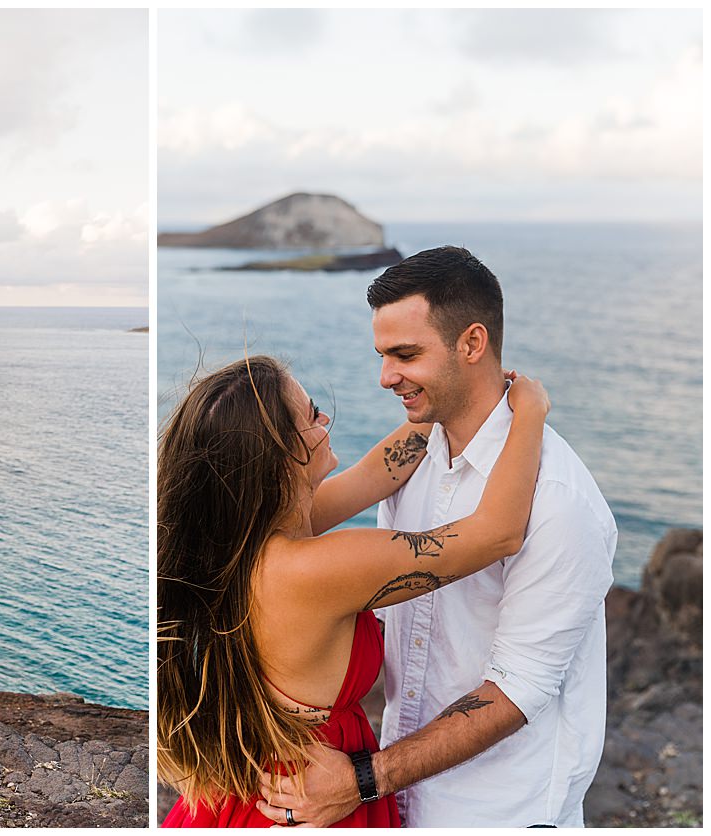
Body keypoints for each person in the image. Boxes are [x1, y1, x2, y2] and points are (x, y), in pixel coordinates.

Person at [254, 246, 616, 827]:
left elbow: (519, 687)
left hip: (497, 811)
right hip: (400, 801)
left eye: (405, 354)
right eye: (382, 355)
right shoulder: (413, 455)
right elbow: (480, 524)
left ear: (472, 344)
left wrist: (365, 779)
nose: (384, 377)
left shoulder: (558, 499)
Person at [157, 351, 551, 827]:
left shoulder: (243, 538)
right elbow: (496, 534)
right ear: (281, 458)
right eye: (311, 415)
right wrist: (531, 412)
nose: (325, 419)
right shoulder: (314, 570)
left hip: (257, 790)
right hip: (310, 797)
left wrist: (457, 390)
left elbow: (376, 473)